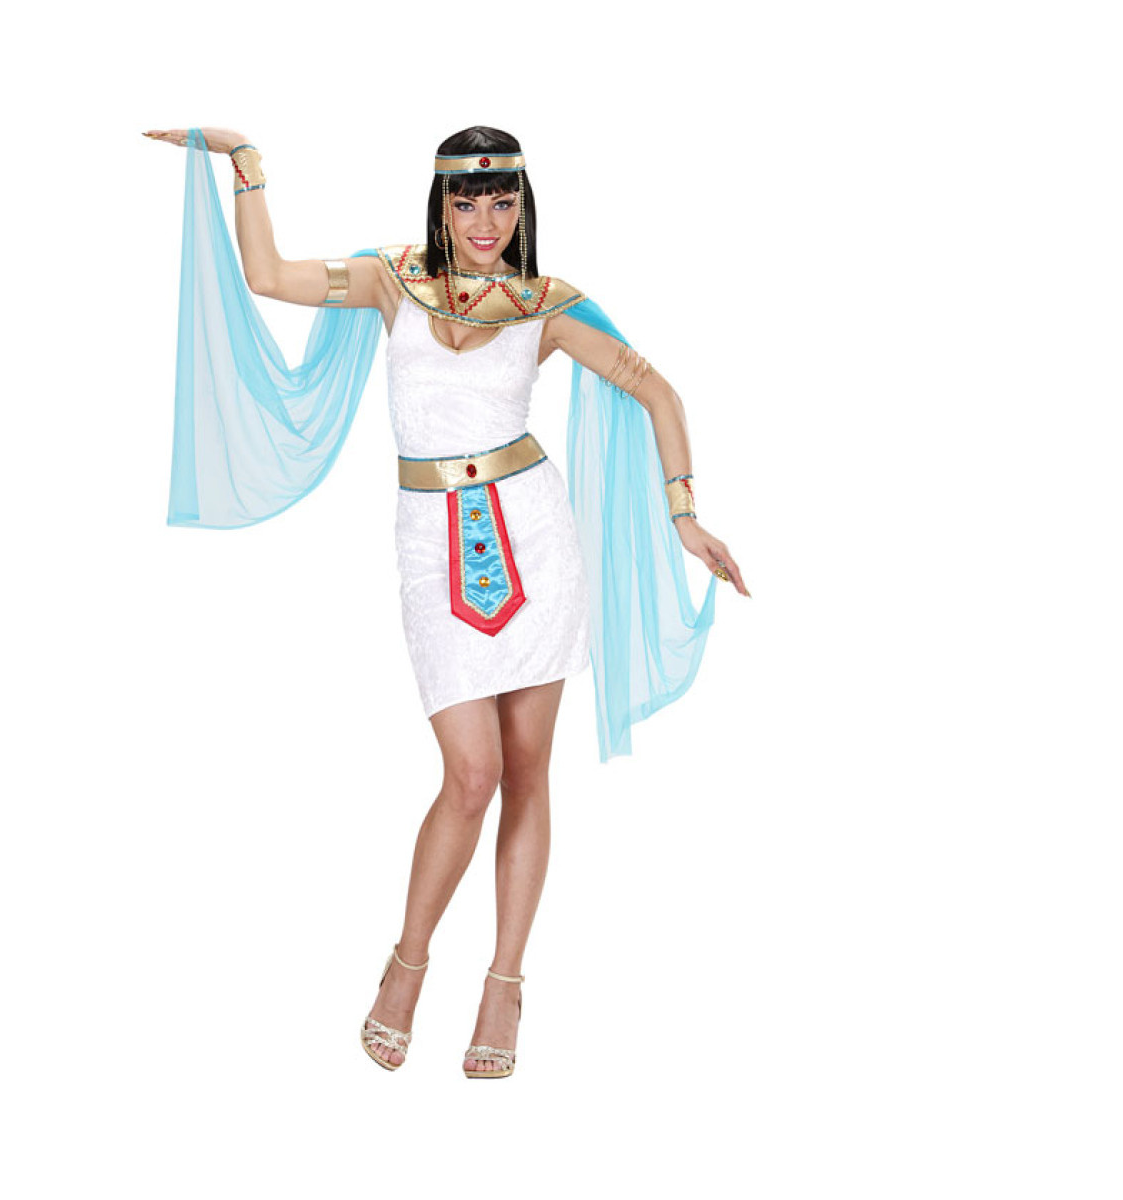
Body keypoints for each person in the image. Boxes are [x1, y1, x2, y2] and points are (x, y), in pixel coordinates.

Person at [143, 124, 749, 1078]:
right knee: (470, 774)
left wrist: (684, 516)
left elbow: (659, 392)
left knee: (526, 770)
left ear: (523, 205)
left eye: (501, 201)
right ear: (443, 204)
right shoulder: (395, 280)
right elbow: (266, 276)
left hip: (536, 540)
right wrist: (246, 162)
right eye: (466, 202)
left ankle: (504, 983)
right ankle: (409, 961)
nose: (484, 221)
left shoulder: (546, 305)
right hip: (432, 544)